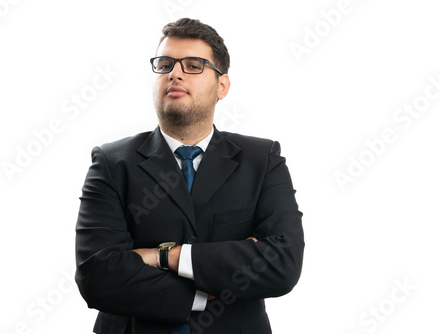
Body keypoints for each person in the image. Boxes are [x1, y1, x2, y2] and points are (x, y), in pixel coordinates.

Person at [75, 18, 304, 334]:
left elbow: (282, 264)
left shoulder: (262, 160)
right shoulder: (112, 162)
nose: (175, 73)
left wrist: (165, 256)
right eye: (165, 64)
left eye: (193, 65)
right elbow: (98, 276)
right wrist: (200, 292)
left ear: (221, 86)